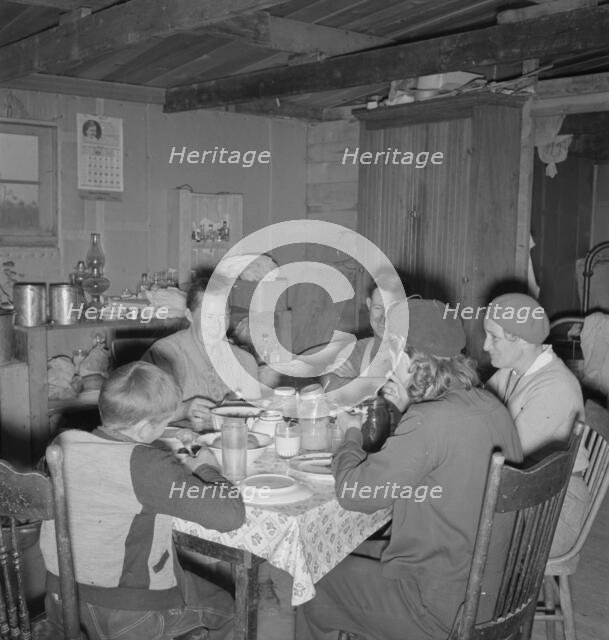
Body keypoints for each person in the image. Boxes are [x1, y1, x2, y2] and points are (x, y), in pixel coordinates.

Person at [297, 299, 523, 640]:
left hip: (440, 608)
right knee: (335, 551)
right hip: (491, 589)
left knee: (311, 582)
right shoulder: (493, 407)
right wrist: (409, 406)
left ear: (407, 359)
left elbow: (354, 494)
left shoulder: (430, 420)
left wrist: (350, 436)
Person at [39, 361, 245, 640]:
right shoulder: (146, 464)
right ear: (147, 427)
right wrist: (207, 468)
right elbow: (230, 515)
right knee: (230, 610)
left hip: (62, 604)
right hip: (127, 614)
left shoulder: (62, 444)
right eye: (163, 423)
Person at [483, 292, 589, 557]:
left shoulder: (555, 386)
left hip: (554, 511)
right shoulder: (512, 369)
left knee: (452, 525)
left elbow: (508, 456)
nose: (485, 346)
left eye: (493, 337)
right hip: (525, 489)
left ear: (520, 340)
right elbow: (477, 409)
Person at [142, 275, 260, 423]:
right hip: (174, 442)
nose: (217, 326)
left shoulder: (244, 361)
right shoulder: (164, 355)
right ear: (189, 316)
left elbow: (256, 416)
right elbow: (140, 416)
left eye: (223, 317)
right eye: (209, 317)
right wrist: (184, 410)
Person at [322, 271, 407, 391]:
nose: (384, 319)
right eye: (378, 308)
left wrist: (357, 382)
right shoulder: (358, 350)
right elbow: (329, 382)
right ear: (369, 305)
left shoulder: (415, 357)